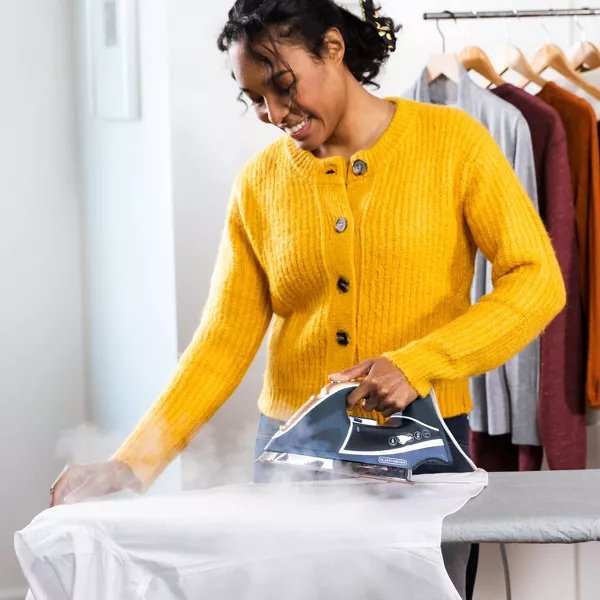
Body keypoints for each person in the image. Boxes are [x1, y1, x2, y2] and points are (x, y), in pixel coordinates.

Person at [50, 0, 566, 597]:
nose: (274, 113)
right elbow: (220, 345)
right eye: (255, 98)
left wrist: (418, 364)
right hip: (291, 462)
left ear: (333, 48)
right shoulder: (260, 184)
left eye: (283, 85)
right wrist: (132, 462)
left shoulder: (454, 146)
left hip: (422, 451)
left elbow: (536, 280)